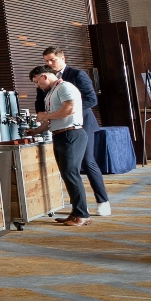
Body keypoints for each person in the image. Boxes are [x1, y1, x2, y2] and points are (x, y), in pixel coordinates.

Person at [41, 47, 111, 216]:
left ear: (62, 58)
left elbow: (91, 99)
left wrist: (72, 110)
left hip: (83, 124)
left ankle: (103, 201)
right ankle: (79, 205)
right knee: (69, 166)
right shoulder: (47, 78)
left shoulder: (77, 74)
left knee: (87, 162)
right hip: (61, 125)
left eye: (52, 60)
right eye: (46, 61)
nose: (49, 64)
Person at [32, 65, 93, 227]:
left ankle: (82, 214)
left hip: (71, 134)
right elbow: (52, 120)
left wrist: (45, 115)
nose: (37, 86)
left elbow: (69, 110)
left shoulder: (65, 87)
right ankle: (75, 212)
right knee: (67, 175)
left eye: (37, 81)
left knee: (72, 174)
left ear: (44, 76)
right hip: (59, 135)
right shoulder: (51, 93)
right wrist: (35, 131)